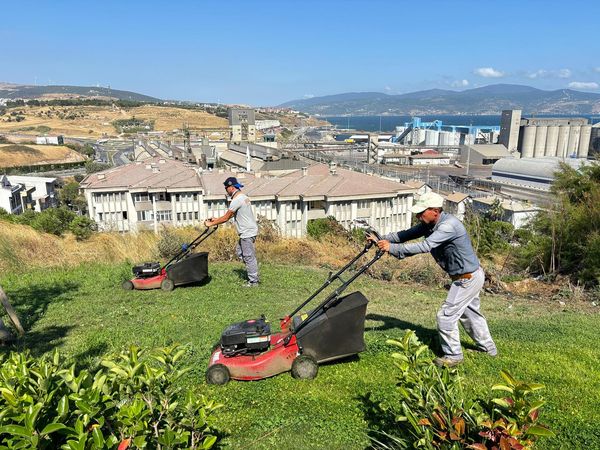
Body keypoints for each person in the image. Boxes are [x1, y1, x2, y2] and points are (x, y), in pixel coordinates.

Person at [369, 191, 497, 367]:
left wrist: (392, 248)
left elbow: (425, 246)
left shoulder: (449, 226)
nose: (419, 215)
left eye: (422, 212)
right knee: (471, 315)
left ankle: (453, 356)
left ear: (435, 211)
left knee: (446, 316)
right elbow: (404, 235)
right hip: (467, 276)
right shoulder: (429, 225)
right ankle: (489, 350)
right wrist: (380, 239)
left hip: (467, 278)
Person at [204, 177, 260, 287]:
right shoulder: (243, 197)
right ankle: (252, 269)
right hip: (249, 230)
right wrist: (216, 220)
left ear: (231, 187)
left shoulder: (236, 200)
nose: (226, 191)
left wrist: (211, 224)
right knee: (240, 252)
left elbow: (226, 218)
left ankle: (254, 281)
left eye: (226, 188)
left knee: (248, 256)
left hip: (247, 232)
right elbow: (230, 216)